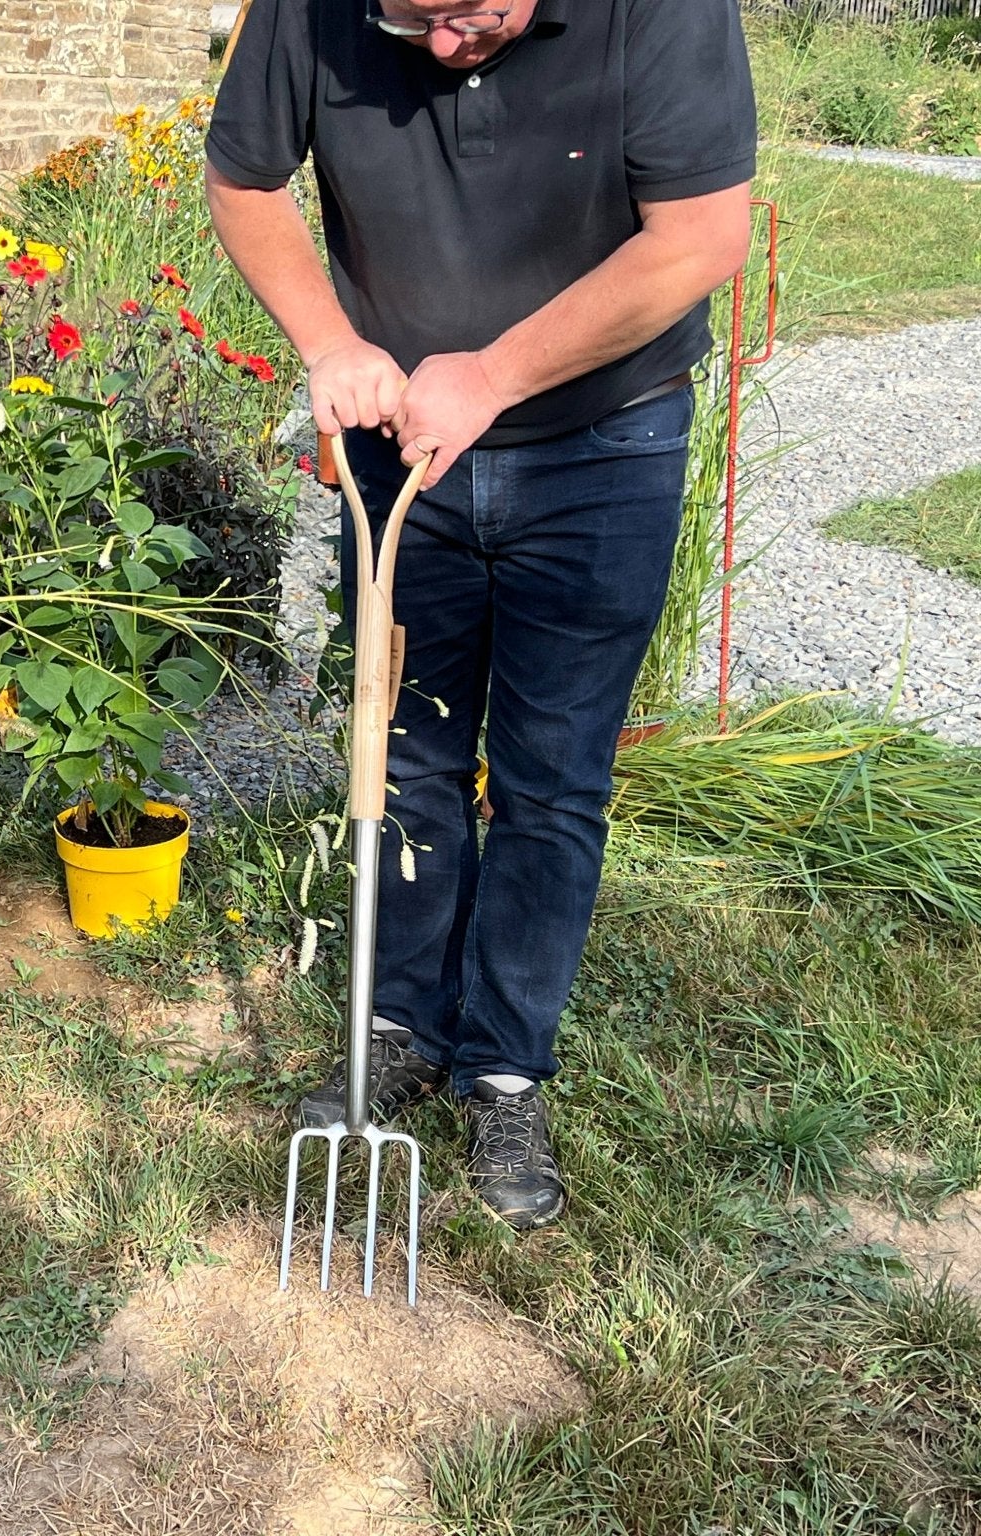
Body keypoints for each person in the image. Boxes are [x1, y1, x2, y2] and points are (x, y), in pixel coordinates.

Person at [204, 0, 756, 1228]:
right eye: (411, 19)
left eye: (472, 13)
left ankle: (504, 1067)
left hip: (602, 440)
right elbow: (243, 179)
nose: (445, 45)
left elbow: (703, 233)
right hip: (398, 446)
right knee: (405, 756)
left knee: (551, 774)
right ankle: (394, 1024)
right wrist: (330, 341)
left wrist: (493, 375)